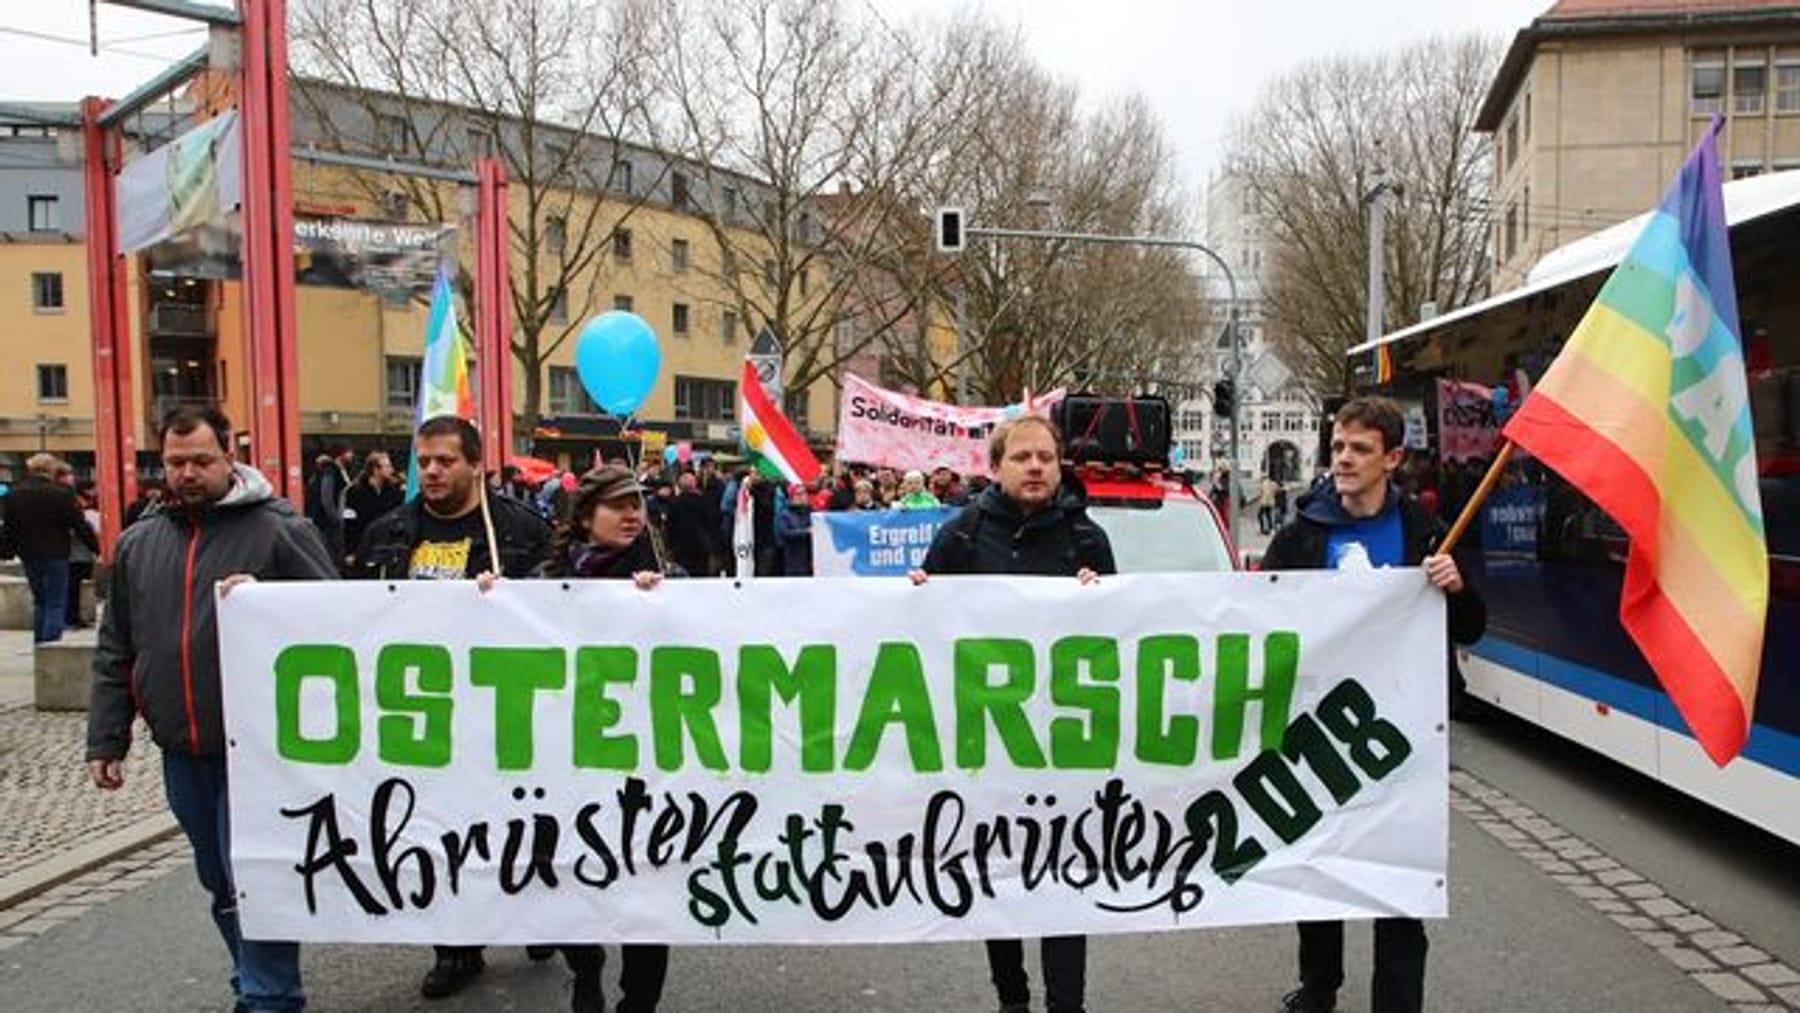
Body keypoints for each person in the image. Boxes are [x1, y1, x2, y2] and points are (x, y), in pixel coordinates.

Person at [87, 404, 339, 1013]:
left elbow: (335, 620)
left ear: (231, 455)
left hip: (258, 751)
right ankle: (250, 978)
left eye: (202, 460)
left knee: (251, 877)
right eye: (176, 462)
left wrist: (270, 603)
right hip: (182, 747)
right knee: (218, 880)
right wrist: (106, 738)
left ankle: (271, 994)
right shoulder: (141, 541)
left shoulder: (280, 530)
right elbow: (117, 643)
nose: (188, 473)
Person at [1264, 396, 1486, 1013]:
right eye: (1338, 446)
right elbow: (1261, 622)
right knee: (1320, 862)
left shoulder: (1425, 532)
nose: (1343, 459)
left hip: (1408, 737)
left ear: (1392, 458)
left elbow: (1471, 628)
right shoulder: (1301, 534)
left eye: (1359, 449)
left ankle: (1398, 1000)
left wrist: (1456, 586)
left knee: (1400, 875)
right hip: (1320, 731)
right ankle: (1320, 985)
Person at [912, 415, 1114, 1013]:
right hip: (987, 739)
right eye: (1022, 457)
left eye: (1046, 458)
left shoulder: (1087, 539)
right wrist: (917, 595)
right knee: (996, 870)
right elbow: (925, 632)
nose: (1035, 467)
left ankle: (1065, 1003)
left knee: (1064, 873)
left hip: (1065, 744)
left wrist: (1101, 597)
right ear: (995, 466)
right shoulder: (961, 536)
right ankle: (1012, 995)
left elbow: (1124, 635)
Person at [351, 415, 552, 1000]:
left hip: (509, 709)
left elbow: (562, 604)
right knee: (439, 828)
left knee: (522, 820)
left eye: (445, 460)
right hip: (426, 713)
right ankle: (456, 945)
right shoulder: (387, 532)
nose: (433, 471)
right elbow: (348, 609)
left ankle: (540, 916)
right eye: (425, 461)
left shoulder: (522, 530)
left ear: (474, 465)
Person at [531, 465, 675, 1011]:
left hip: (646, 759)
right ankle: (585, 964)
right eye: (618, 504)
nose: (632, 514)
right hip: (566, 756)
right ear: (587, 515)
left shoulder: (665, 574)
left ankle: (638, 1002)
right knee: (570, 873)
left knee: (648, 883)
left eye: (637, 504)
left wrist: (663, 600)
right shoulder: (544, 579)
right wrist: (489, 599)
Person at [1, 453, 99, 643]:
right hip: (56, 553)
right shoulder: (62, 493)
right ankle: (50, 647)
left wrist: (6, 551)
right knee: (55, 602)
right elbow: (79, 525)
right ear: (52, 469)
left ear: (30, 469)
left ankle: (40, 644)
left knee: (40, 601)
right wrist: (96, 548)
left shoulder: (14, 494)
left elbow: (8, 527)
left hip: (28, 554)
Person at [343, 450, 402, 569]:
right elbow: (349, 524)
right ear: (376, 470)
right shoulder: (354, 492)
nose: (392, 469)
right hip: (362, 547)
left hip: (388, 548)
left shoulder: (395, 491)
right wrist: (350, 552)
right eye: (387, 466)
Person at [304, 444, 353, 565]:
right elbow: (327, 497)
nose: (351, 455)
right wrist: (335, 518)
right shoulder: (330, 470)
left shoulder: (337, 470)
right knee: (331, 552)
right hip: (327, 521)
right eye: (349, 452)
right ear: (340, 454)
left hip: (327, 519)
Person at [66, 479, 100, 629]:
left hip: (74, 554)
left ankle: (71, 617)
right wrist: (96, 549)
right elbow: (85, 532)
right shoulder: (78, 512)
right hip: (77, 555)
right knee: (73, 588)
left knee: (73, 588)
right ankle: (71, 618)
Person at [775, 482, 813, 575]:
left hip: (810, 560)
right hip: (793, 561)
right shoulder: (785, 514)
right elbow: (784, 533)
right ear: (791, 498)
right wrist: (806, 532)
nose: (802, 497)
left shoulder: (811, 512)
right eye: (798, 494)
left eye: (804, 493)